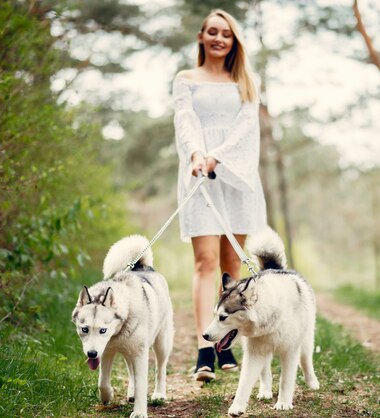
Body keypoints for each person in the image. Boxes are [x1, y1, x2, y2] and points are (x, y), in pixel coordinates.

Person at [172, 9, 267, 382]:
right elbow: (185, 120)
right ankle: (204, 350)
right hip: (199, 176)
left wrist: (219, 156)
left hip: (236, 176)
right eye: (212, 32)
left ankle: (226, 342)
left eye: (225, 34)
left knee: (231, 267)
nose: (218, 38)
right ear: (201, 36)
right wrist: (197, 153)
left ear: (233, 41)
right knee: (205, 262)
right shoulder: (186, 79)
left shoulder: (246, 81)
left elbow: (246, 127)